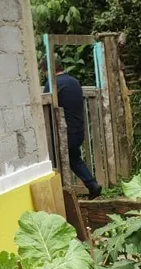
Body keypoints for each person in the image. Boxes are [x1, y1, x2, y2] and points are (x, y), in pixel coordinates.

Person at [45, 61, 102, 199]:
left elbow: (47, 107)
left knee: (58, 161)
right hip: (78, 129)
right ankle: (92, 185)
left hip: (64, 132)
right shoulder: (74, 82)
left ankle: (65, 193)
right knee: (74, 159)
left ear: (46, 71)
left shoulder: (52, 84)